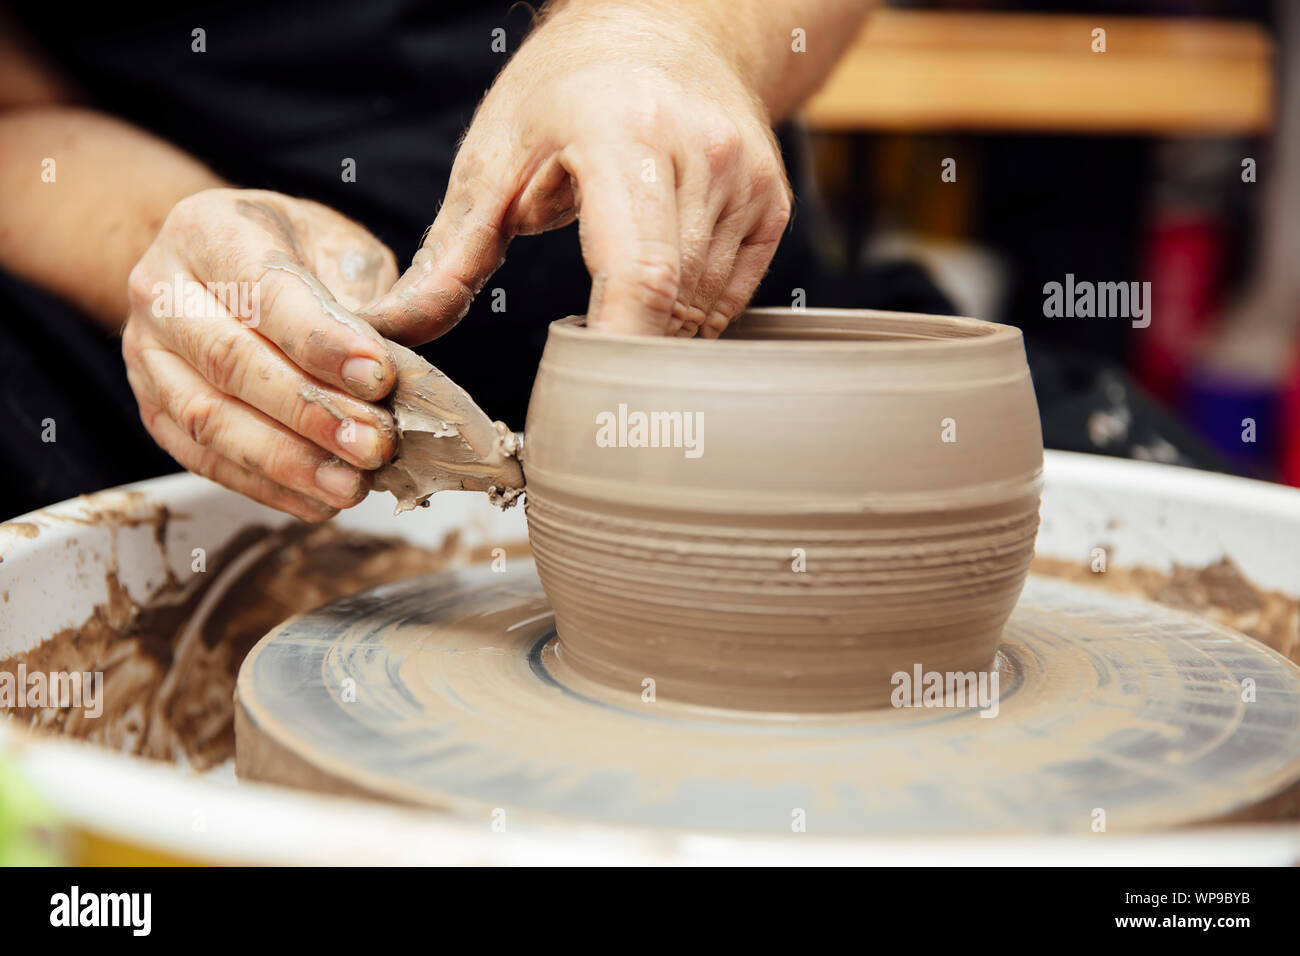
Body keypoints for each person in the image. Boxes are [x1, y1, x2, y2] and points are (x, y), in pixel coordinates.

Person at [0, 0, 887, 521]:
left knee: (964, 429)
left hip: (709, 305)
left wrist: (663, 38)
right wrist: (200, 266)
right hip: (189, 332)